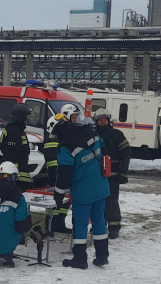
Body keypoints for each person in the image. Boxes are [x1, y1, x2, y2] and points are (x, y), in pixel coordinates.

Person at [47, 113, 110, 269]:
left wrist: (58, 195)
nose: (55, 137)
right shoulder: (91, 132)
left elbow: (64, 174)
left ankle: (80, 259)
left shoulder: (65, 147)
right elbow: (104, 150)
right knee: (99, 221)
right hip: (101, 186)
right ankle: (102, 257)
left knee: (80, 224)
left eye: (55, 134)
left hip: (83, 191)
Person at [93, 108, 131, 239]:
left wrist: (123, 173)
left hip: (113, 175)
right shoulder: (92, 135)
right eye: (100, 120)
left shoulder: (117, 134)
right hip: (96, 175)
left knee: (111, 201)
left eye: (105, 119)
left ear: (108, 121)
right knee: (97, 200)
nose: (103, 122)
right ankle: (99, 225)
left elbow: (126, 153)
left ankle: (114, 227)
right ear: (96, 122)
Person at [43, 116, 71, 234]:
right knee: (52, 200)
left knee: (65, 200)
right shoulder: (53, 136)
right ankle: (49, 225)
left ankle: (60, 223)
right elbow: (51, 156)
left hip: (63, 173)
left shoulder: (64, 137)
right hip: (55, 173)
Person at [0, 103, 34, 192]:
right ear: (20, 117)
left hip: (19, 176)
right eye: (27, 116)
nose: (28, 119)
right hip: (16, 178)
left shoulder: (18, 130)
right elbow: (11, 155)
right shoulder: (13, 131)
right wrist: (14, 175)